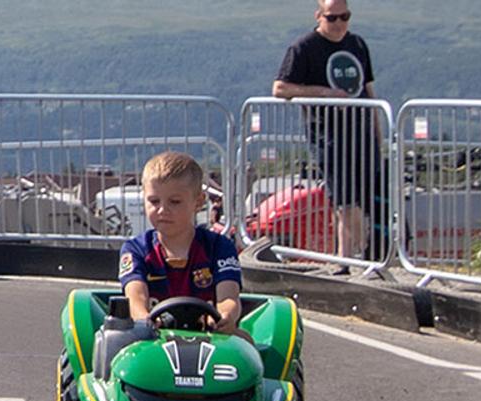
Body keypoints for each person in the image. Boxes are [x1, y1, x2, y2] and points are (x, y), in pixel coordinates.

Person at [272, 0, 378, 270]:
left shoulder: (357, 45)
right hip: (328, 133)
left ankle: (345, 259)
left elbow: (368, 87)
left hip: (361, 130)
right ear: (319, 16)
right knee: (343, 197)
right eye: (332, 18)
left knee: (359, 198)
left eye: (345, 17)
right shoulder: (303, 48)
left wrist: (377, 128)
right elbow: (280, 88)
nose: (340, 23)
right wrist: (324, 93)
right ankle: (366, 253)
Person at [119, 152, 242, 334]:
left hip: (210, 335)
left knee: (245, 341)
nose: (162, 210)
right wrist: (144, 318)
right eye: (154, 201)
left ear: (198, 202)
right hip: (154, 337)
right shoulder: (136, 249)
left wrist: (224, 316)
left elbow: (229, 296)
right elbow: (135, 296)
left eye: (174, 202)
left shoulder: (219, 247)